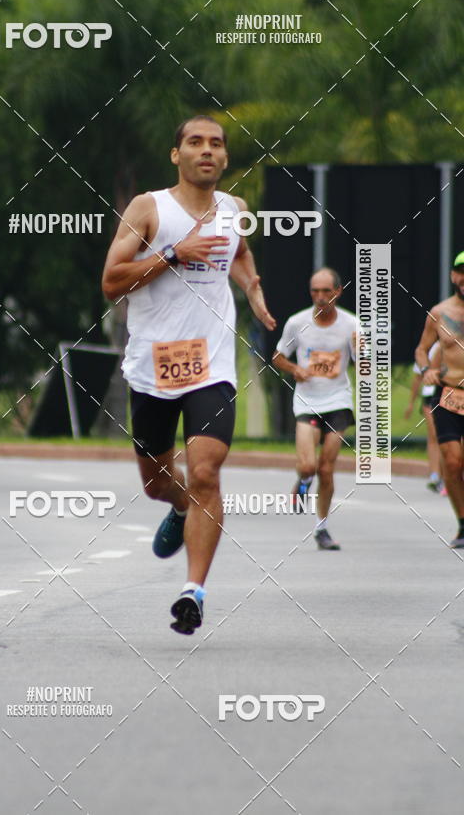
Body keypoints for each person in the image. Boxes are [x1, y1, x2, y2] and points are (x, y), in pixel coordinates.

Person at [101, 115, 276, 634]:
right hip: (152, 365)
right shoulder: (149, 209)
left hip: (212, 363)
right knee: (159, 483)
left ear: (225, 158)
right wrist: (175, 253)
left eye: (216, 144)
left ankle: (193, 592)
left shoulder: (235, 210)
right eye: (195, 143)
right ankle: (178, 507)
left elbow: (238, 253)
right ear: (176, 155)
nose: (207, 151)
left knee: (205, 471)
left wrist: (252, 287)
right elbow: (112, 281)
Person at [272, 268, 358, 551]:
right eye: (315, 292)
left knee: (327, 467)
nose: (320, 298)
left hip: (338, 401)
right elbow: (278, 356)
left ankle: (321, 528)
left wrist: (364, 350)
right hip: (307, 402)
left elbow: (364, 363)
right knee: (309, 465)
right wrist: (295, 368)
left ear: (338, 292)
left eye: (326, 292)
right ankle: (303, 480)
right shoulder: (298, 323)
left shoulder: (351, 324)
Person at [415, 252, 464, 548]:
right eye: (461, 272)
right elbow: (422, 350)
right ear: (453, 276)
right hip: (448, 394)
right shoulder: (439, 312)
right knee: (452, 462)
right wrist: (426, 371)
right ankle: (462, 523)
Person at [404, 341, 444, 493]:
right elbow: (417, 377)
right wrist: (411, 403)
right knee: (434, 435)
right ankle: (435, 475)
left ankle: (449, 476)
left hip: (452, 394)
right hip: (430, 396)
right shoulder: (428, 348)